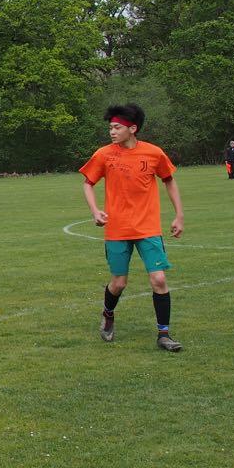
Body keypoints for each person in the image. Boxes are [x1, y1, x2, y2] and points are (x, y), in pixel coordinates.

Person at [80, 103, 184, 352]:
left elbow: (169, 180)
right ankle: (108, 313)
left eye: (117, 127)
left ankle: (164, 335)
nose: (112, 131)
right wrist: (95, 211)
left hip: (148, 228)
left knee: (159, 279)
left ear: (132, 129)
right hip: (117, 229)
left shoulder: (154, 153)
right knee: (119, 283)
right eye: (110, 127)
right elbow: (87, 183)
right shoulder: (104, 154)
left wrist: (179, 215)